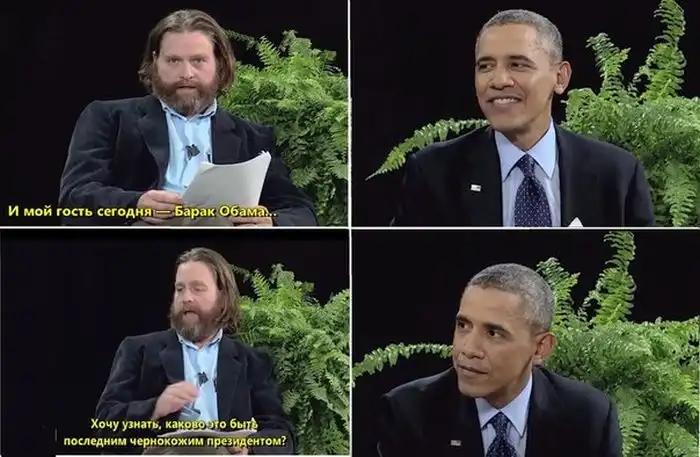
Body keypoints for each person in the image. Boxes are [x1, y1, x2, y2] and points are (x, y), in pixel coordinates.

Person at [391, 9, 654, 227]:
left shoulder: (617, 174)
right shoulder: (433, 174)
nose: (498, 80)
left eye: (517, 64)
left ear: (560, 78)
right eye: (485, 66)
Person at [58, 9, 316, 227]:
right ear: (155, 62)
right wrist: (135, 204)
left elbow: (301, 212)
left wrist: (270, 221)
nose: (186, 73)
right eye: (173, 61)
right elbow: (74, 198)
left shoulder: (254, 137)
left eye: (198, 60)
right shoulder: (109, 118)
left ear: (219, 64)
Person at [376, 263, 622, 457]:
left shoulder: (590, 417)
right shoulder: (408, 413)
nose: (468, 349)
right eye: (463, 326)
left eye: (493, 333)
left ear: (540, 348)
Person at [94, 247, 294, 455]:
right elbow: (104, 425)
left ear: (223, 296)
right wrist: (155, 408)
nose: (186, 298)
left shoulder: (252, 361)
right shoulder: (139, 350)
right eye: (180, 289)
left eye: (197, 289)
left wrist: (249, 446)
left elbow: (281, 435)